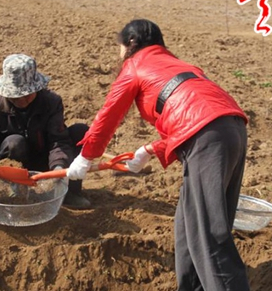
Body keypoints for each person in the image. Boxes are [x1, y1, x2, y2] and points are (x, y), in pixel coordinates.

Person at [66, 19, 251, 290]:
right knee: (188, 227)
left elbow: (109, 116)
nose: (119, 54)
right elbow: (193, 114)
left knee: (209, 235)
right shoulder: (179, 65)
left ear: (131, 44)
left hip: (207, 136)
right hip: (232, 129)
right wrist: (150, 150)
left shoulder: (135, 65)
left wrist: (85, 156)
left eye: (119, 47)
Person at [0, 53, 91, 209]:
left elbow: (58, 140)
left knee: (81, 132)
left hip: (46, 160)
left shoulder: (51, 102)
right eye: (15, 97)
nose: (21, 101)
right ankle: (18, 193)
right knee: (14, 142)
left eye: (27, 95)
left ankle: (69, 192)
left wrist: (59, 168)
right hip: (13, 163)